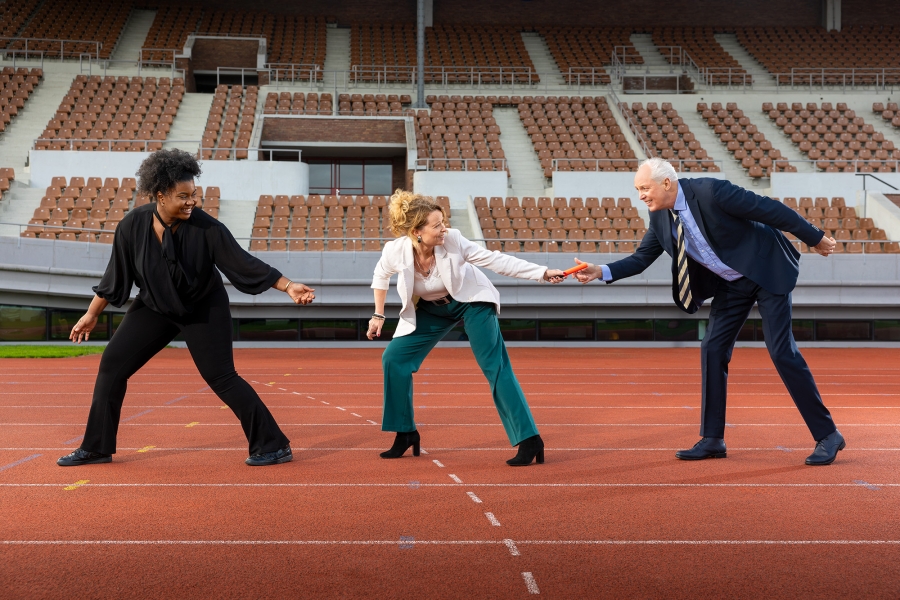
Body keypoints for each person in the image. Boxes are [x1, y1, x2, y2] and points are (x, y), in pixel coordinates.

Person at [574, 157, 844, 466]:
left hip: (766, 269)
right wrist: (600, 270)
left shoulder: (712, 192)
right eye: (637, 190)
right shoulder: (660, 219)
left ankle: (828, 435)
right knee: (712, 348)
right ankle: (713, 438)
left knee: (782, 351)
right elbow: (641, 259)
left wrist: (815, 237)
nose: (641, 196)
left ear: (666, 183)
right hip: (731, 284)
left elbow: (771, 210)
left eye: (644, 188)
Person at [57, 149, 315, 468]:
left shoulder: (208, 229)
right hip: (155, 305)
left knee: (222, 376)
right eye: (183, 196)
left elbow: (242, 263)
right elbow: (115, 277)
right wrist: (92, 313)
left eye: (194, 194)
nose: (191, 201)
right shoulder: (131, 227)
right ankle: (96, 446)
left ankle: (273, 444)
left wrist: (288, 286)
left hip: (202, 307)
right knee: (112, 366)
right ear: (161, 195)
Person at [367, 191, 565, 466]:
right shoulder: (395, 250)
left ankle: (530, 439)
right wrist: (378, 315)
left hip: (470, 302)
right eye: (436, 225)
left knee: (494, 366)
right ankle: (405, 433)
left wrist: (542, 272)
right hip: (430, 309)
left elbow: (494, 260)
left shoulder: (453, 240)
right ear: (417, 232)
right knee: (394, 358)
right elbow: (380, 275)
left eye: (443, 222)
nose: (443, 229)